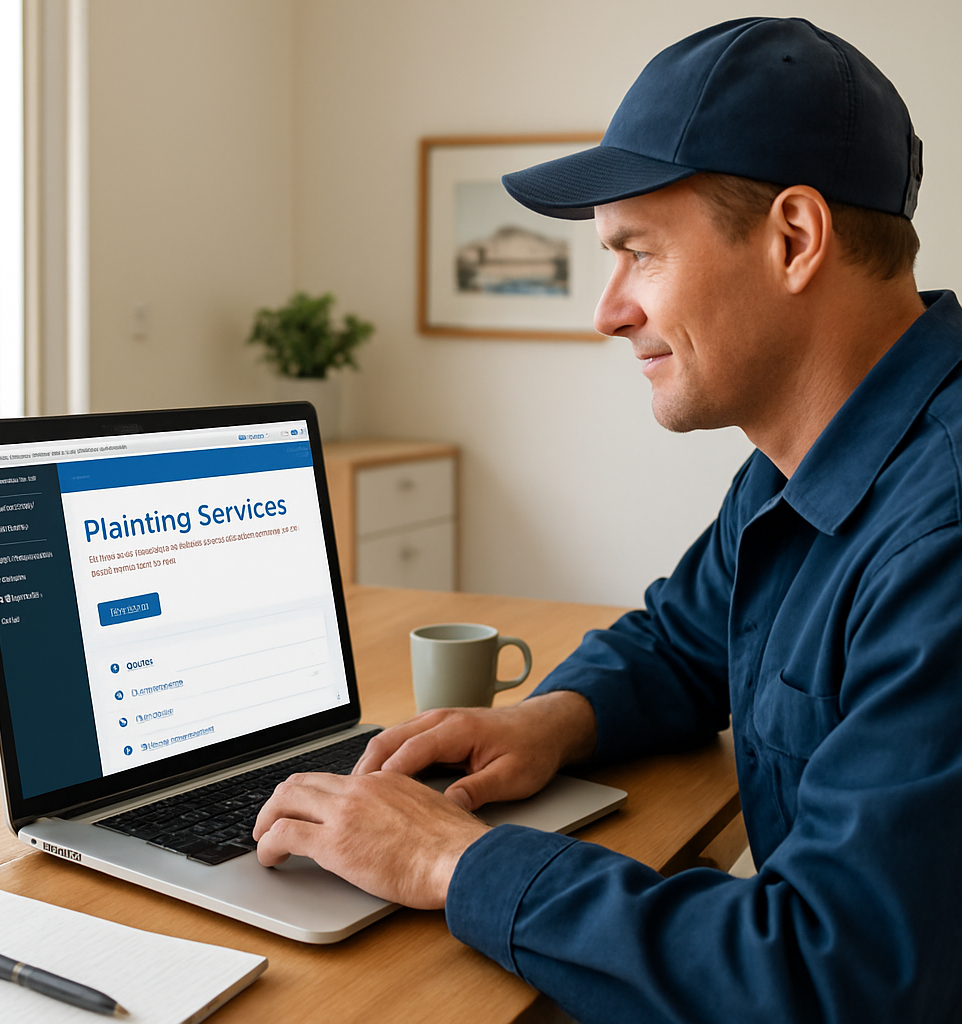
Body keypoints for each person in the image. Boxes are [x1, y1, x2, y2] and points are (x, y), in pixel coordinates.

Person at [253, 17, 962, 1023]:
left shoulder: (941, 532)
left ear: (793, 239)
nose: (606, 309)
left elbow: (828, 975)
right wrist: (543, 721)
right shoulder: (799, 459)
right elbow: (684, 641)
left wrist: (452, 859)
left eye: (638, 253)